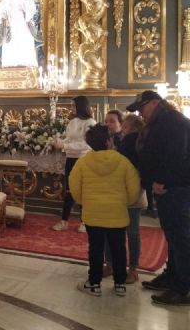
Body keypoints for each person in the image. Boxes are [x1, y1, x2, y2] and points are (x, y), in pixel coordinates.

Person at [127, 90, 190, 306]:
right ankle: (172, 276)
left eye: (142, 108)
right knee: (173, 236)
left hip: (175, 189)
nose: (141, 114)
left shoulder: (173, 122)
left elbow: (177, 156)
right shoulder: (162, 121)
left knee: (180, 238)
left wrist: (163, 181)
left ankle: (183, 288)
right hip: (168, 188)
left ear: (155, 103)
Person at [70, 124, 140, 297]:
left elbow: (74, 186)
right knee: (118, 248)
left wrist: (84, 202)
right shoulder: (123, 161)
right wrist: (124, 202)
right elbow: (134, 188)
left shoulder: (83, 162)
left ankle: (94, 284)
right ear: (109, 141)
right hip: (117, 213)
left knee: (95, 249)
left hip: (93, 213)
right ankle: (120, 284)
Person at [103, 114, 147, 284]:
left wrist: (112, 152)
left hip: (130, 191)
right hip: (122, 191)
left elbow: (121, 162)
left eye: (125, 126)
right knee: (126, 231)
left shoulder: (133, 141)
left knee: (130, 232)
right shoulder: (121, 140)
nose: (124, 130)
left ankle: (131, 268)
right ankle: (116, 265)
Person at [51, 96, 96, 232]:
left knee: (83, 191)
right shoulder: (73, 122)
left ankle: (85, 221)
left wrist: (63, 145)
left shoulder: (90, 123)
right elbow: (69, 139)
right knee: (69, 190)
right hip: (70, 159)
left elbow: (86, 144)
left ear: (81, 106)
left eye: (74, 106)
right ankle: (64, 221)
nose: (71, 109)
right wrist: (59, 141)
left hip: (83, 159)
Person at [0, 0, 44, 68]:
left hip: (21, 19)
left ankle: (26, 64)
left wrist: (26, 10)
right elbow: (3, 6)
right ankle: (10, 64)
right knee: (9, 41)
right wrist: (5, 14)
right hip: (11, 20)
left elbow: (31, 8)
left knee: (27, 38)